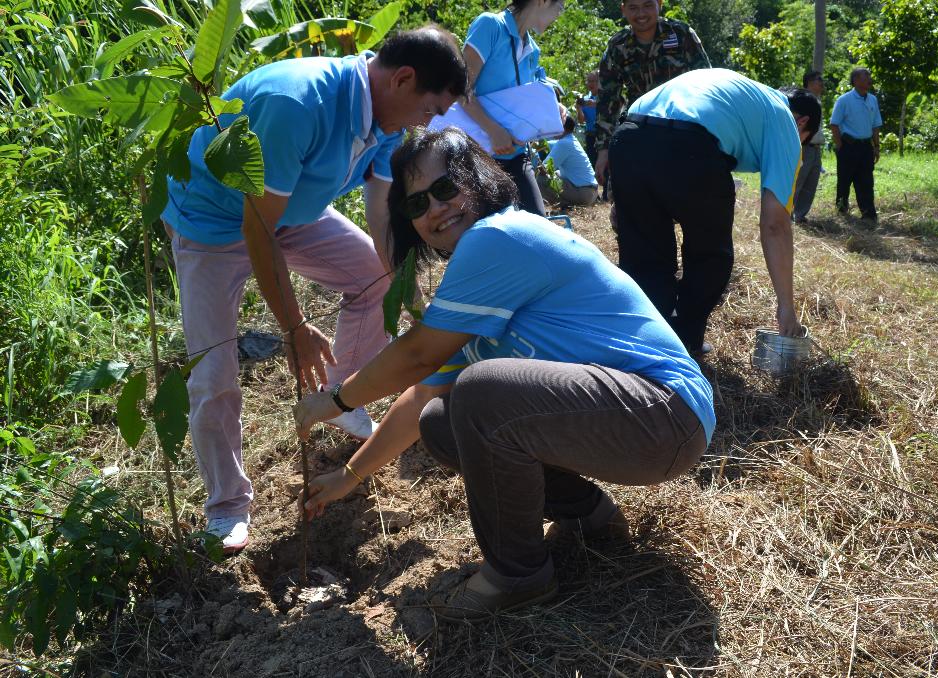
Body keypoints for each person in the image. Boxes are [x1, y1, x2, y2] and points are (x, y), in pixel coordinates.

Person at [292, 127, 715, 622]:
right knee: (442, 419)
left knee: (479, 391)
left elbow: (418, 355)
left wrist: (337, 400)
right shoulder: (476, 274)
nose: (434, 209)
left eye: (445, 188)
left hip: (663, 415)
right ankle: (587, 517)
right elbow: (422, 391)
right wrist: (348, 475)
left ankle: (516, 576)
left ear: (477, 180)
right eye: (415, 204)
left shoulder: (499, 236)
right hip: (640, 422)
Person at [161, 28, 468, 553]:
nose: (430, 123)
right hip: (214, 227)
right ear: (403, 78)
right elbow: (256, 227)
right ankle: (227, 507)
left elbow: (379, 210)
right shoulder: (297, 103)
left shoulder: (384, 117)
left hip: (292, 216)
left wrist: (407, 294)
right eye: (432, 109)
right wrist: (295, 328)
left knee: (372, 278)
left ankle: (341, 393)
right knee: (214, 374)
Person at [608, 69, 821, 356]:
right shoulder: (784, 120)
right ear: (802, 123)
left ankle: (648, 344)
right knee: (710, 257)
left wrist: (627, 201)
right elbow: (775, 225)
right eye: (803, 140)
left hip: (628, 137)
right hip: (689, 146)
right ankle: (683, 340)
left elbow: (652, 138)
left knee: (645, 257)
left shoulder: (736, 90)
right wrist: (786, 308)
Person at [461, 0, 566, 216]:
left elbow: (529, 98)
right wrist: (493, 130)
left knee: (538, 230)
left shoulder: (532, 50)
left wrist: (556, 107)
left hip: (516, 155)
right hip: (477, 157)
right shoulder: (490, 26)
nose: (559, 16)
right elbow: (460, 89)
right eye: (560, 8)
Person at [593, 0, 710, 188]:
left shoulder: (681, 34)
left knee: (691, 194)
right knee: (632, 197)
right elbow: (608, 99)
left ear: (660, 4)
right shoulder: (618, 45)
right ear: (623, 10)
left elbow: (706, 84)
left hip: (683, 128)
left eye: (648, 5)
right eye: (633, 7)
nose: (641, 13)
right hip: (640, 129)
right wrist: (604, 149)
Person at [830, 67, 882, 222]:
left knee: (866, 181)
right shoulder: (844, 100)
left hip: (866, 147)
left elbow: (875, 125)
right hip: (848, 145)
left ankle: (868, 213)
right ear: (856, 81)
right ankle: (842, 210)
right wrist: (840, 146)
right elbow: (834, 124)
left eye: (869, 76)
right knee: (844, 180)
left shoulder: (872, 99)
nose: (869, 79)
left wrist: (876, 146)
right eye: (866, 76)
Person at [792, 70, 827, 224]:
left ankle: (799, 215)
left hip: (816, 148)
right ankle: (787, 213)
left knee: (811, 182)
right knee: (798, 180)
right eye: (818, 79)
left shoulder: (817, 101)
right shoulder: (803, 101)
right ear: (809, 82)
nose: (821, 82)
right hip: (804, 146)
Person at [537, 123, 599, 207]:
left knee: (541, 179)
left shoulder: (563, 143)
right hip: (591, 193)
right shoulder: (571, 139)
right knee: (557, 173)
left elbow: (544, 168)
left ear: (562, 128)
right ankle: (567, 203)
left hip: (583, 194)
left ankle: (564, 204)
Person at [576, 70, 600, 165]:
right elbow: (582, 121)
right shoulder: (585, 99)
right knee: (593, 164)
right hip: (591, 137)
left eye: (593, 81)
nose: (590, 83)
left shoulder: (606, 98)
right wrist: (579, 109)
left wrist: (596, 104)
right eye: (588, 81)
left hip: (605, 135)